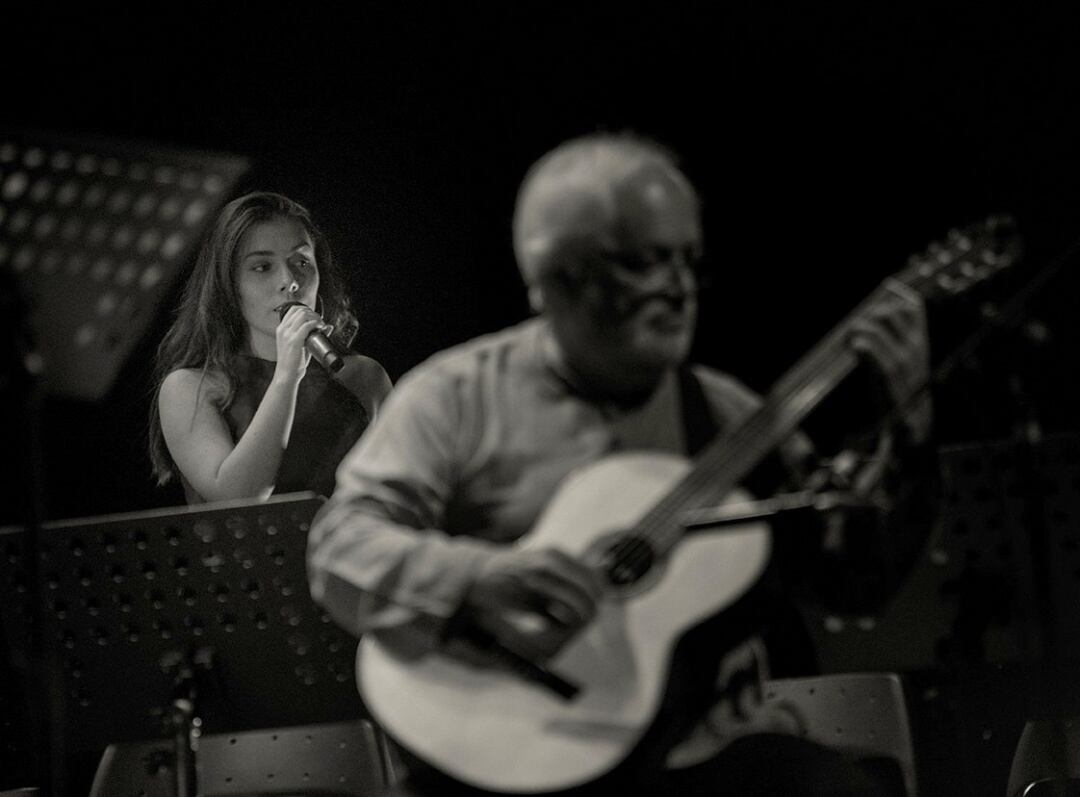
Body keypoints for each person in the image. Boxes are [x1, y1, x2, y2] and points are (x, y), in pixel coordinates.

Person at [308, 133, 935, 796]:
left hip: (689, 753)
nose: (678, 287)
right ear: (554, 281)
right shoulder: (457, 396)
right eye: (643, 261)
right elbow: (341, 545)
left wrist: (910, 435)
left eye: (687, 260)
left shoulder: (728, 416)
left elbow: (856, 583)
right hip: (504, 752)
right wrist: (482, 574)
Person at [149, 191, 392, 503]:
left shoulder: (363, 376)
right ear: (229, 284)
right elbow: (237, 498)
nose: (290, 281)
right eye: (262, 267)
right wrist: (288, 375)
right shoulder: (190, 387)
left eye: (301, 261)